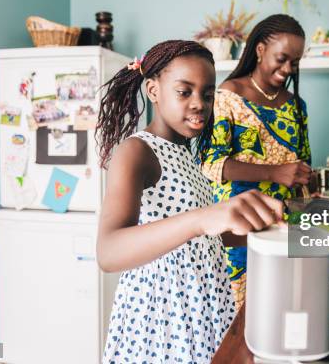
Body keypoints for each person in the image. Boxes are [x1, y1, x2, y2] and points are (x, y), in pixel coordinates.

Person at [95, 40, 284, 363]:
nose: (199, 103)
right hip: (162, 318)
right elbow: (108, 252)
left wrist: (260, 229)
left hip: (202, 302)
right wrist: (203, 218)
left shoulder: (185, 154)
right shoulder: (136, 151)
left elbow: (197, 235)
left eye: (208, 95)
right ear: (153, 90)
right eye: (185, 92)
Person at [202, 14, 312, 310]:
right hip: (239, 227)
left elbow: (302, 168)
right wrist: (276, 173)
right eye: (282, 58)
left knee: (280, 309)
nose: (287, 69)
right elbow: (211, 164)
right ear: (261, 49)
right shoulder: (228, 96)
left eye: (295, 62)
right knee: (241, 313)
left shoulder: (296, 105)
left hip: (284, 227)